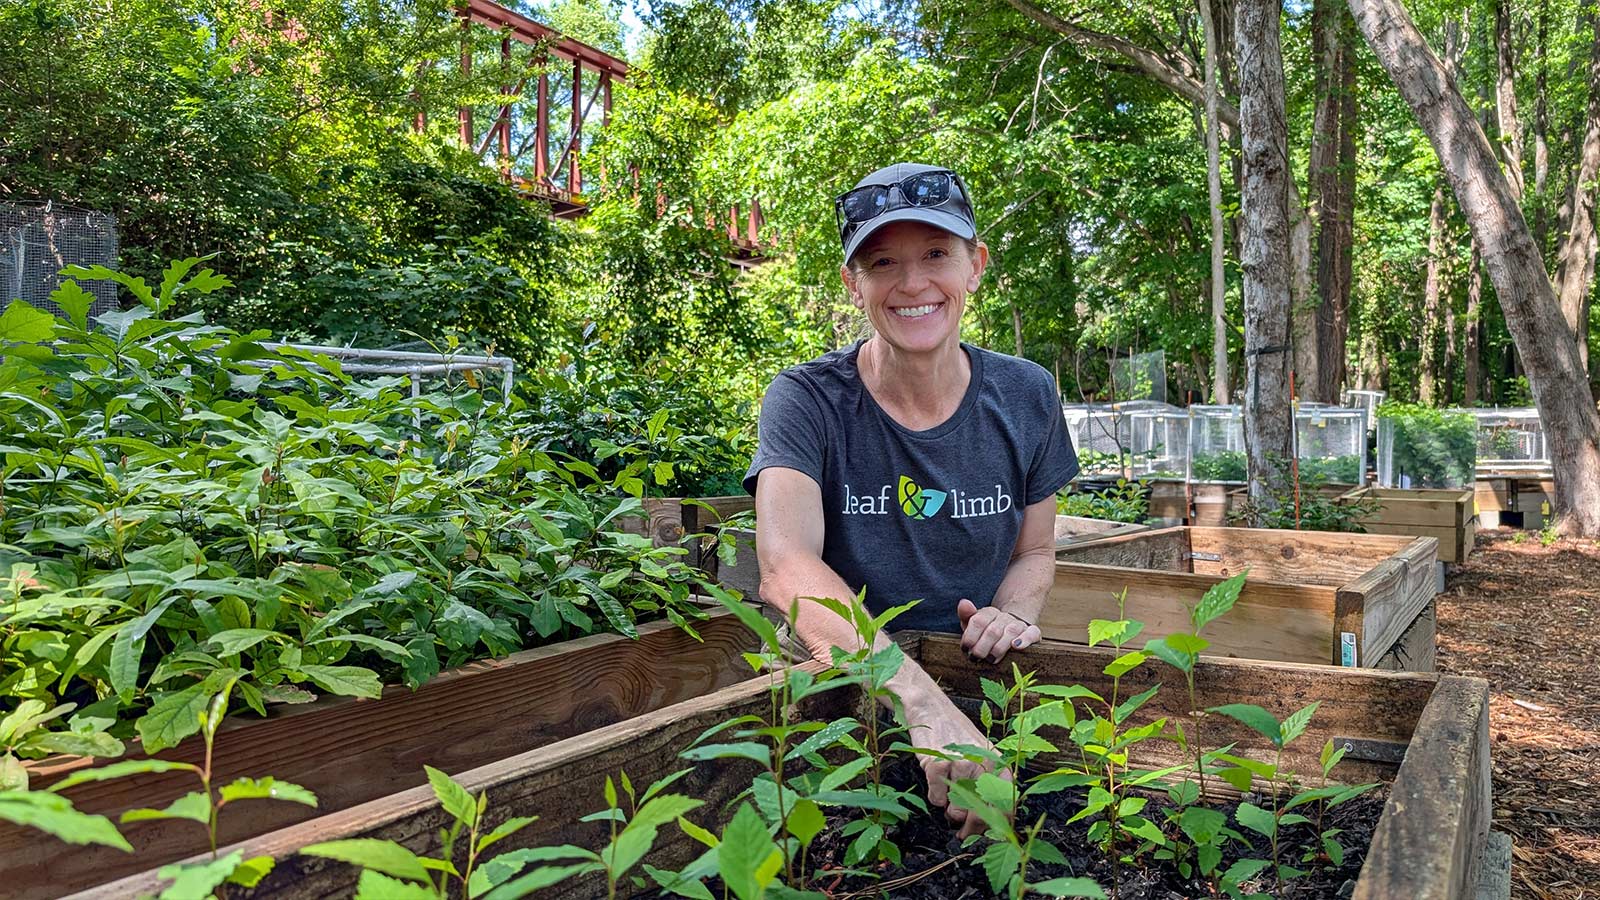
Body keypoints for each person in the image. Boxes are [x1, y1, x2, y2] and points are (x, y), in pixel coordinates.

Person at [743, 162, 1079, 837]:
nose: (913, 282)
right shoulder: (807, 400)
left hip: (976, 685)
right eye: (882, 262)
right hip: (830, 704)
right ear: (853, 284)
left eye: (935, 254)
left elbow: (1035, 548)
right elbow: (785, 566)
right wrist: (919, 701)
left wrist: (1008, 616)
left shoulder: (1026, 394)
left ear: (975, 265)